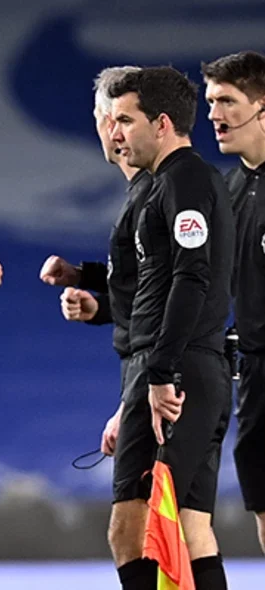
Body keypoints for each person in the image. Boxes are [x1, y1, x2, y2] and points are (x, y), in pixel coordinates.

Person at [107, 66, 233, 590]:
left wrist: (159, 374)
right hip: (186, 367)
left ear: (161, 124)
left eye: (125, 121)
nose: (115, 134)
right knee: (180, 525)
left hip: (177, 371)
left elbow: (192, 276)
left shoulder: (184, 179)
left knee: (137, 532)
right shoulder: (170, 184)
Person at [38, 66, 151, 461]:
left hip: (161, 384)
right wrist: (93, 294)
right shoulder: (148, 194)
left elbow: (170, 307)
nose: (112, 130)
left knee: (141, 519)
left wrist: (134, 404)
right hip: (162, 379)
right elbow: (145, 288)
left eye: (122, 119)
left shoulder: (160, 196)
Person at [203, 49, 265, 555]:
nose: (214, 115)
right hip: (257, 374)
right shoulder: (228, 190)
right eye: (209, 102)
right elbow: (191, 283)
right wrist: (97, 291)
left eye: (226, 100)